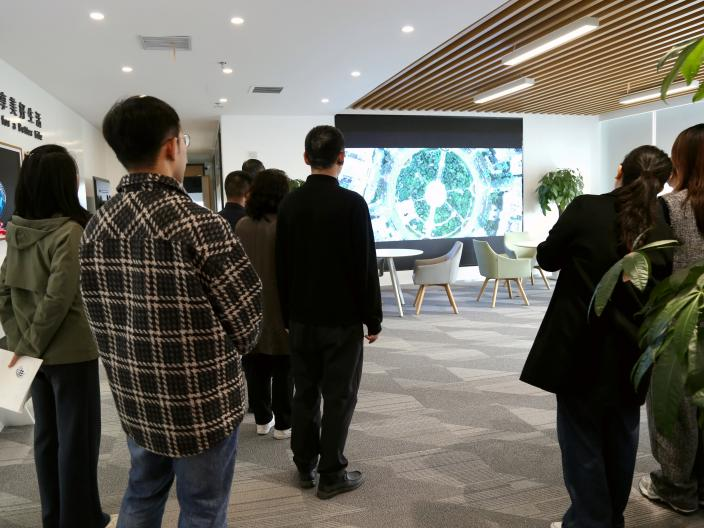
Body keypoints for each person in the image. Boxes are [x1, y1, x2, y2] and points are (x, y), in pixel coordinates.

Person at [80, 96, 263, 528]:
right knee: (202, 507)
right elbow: (247, 323)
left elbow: (97, 315)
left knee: (142, 492)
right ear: (170, 146)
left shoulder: (96, 228)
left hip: (136, 396)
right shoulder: (200, 224)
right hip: (203, 403)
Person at [520, 145, 674, 528]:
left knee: (581, 440)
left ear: (620, 170)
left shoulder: (586, 208)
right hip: (635, 350)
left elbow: (547, 258)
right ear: (664, 182)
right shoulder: (663, 224)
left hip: (579, 346)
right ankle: (609, 519)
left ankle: (589, 522)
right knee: (622, 436)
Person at [1, 145, 113, 528]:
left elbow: (3, 292)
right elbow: (58, 300)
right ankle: (79, 520)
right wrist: (32, 342)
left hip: (33, 358)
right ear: (64, 183)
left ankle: (57, 517)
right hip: (71, 354)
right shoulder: (71, 231)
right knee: (78, 442)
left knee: (47, 438)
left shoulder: (17, 230)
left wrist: (22, 342)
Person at [276, 125, 382, 499]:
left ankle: (304, 464)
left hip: (301, 318)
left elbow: (281, 266)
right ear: (342, 158)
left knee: (304, 391)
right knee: (339, 396)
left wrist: (286, 317)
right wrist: (373, 318)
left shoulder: (289, 204)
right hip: (342, 320)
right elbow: (365, 265)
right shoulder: (353, 204)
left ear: (306, 158)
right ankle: (332, 473)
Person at [639, 124, 704, 515]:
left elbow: (653, 266)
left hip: (678, 318)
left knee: (675, 407)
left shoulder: (668, 206)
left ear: (681, 159)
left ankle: (677, 486)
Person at [235, 169, 293, 439]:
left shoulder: (242, 225)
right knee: (284, 368)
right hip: (282, 306)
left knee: (254, 366)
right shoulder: (288, 225)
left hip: (250, 308)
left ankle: (262, 418)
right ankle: (284, 424)